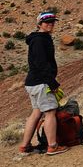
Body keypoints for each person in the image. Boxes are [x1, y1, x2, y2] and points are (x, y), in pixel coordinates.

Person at [18, 12, 68, 155]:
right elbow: (41, 64)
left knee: (36, 113)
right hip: (41, 83)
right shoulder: (39, 40)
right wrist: (52, 83)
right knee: (50, 112)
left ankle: (24, 146)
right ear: (39, 24)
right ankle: (52, 146)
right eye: (47, 22)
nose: (50, 24)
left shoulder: (39, 38)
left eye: (52, 22)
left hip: (33, 82)